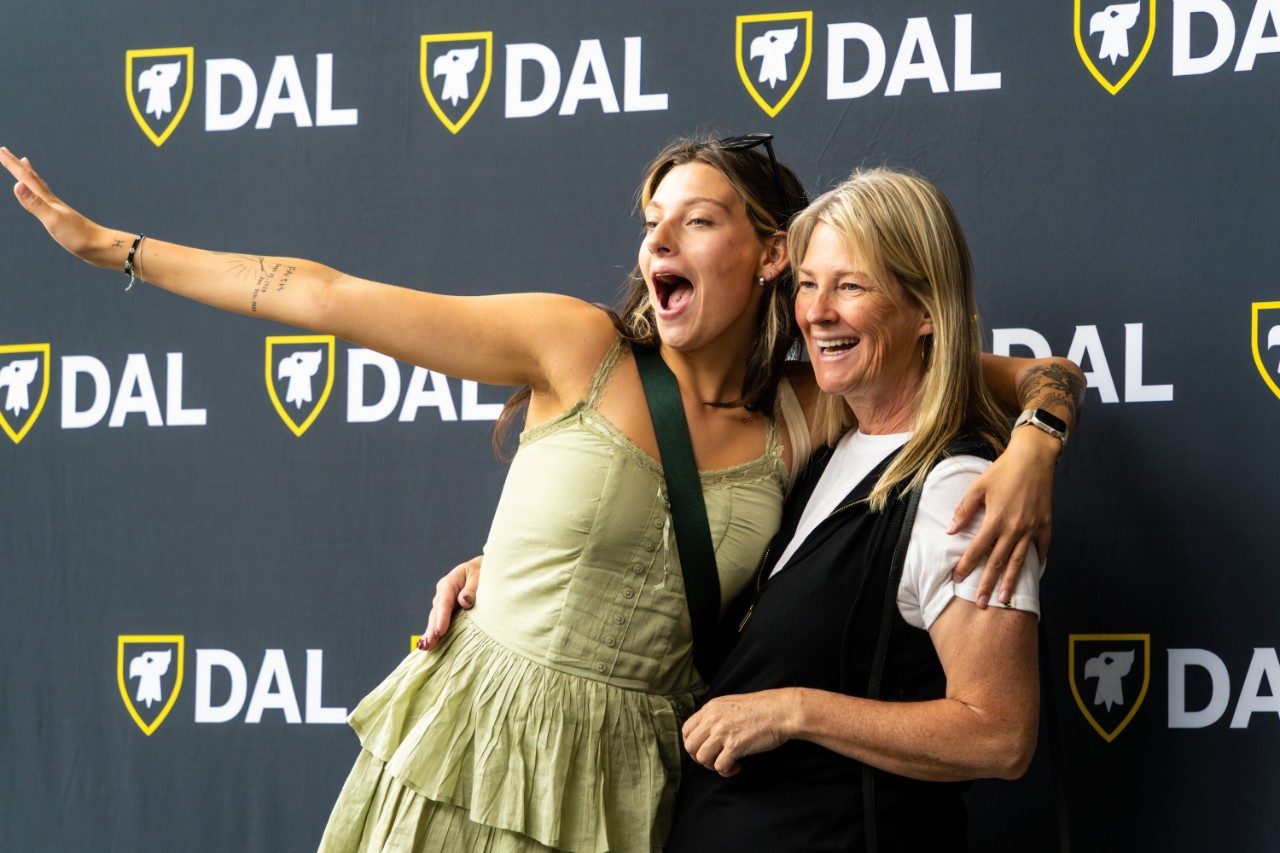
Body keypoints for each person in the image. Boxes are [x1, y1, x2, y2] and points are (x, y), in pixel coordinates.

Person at [1, 140, 1076, 852]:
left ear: (768, 254)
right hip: (473, 747)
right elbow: (322, 296)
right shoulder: (578, 346)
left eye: (694, 220)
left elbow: (1013, 375)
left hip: (630, 784)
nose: (655, 239)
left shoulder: (812, 408)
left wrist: (1033, 442)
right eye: (650, 219)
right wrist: (115, 250)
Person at [662, 167, 1056, 851]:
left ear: (926, 308)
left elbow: (999, 732)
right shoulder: (830, 447)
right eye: (809, 284)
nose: (816, 312)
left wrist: (795, 710)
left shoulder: (955, 489)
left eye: (851, 286)